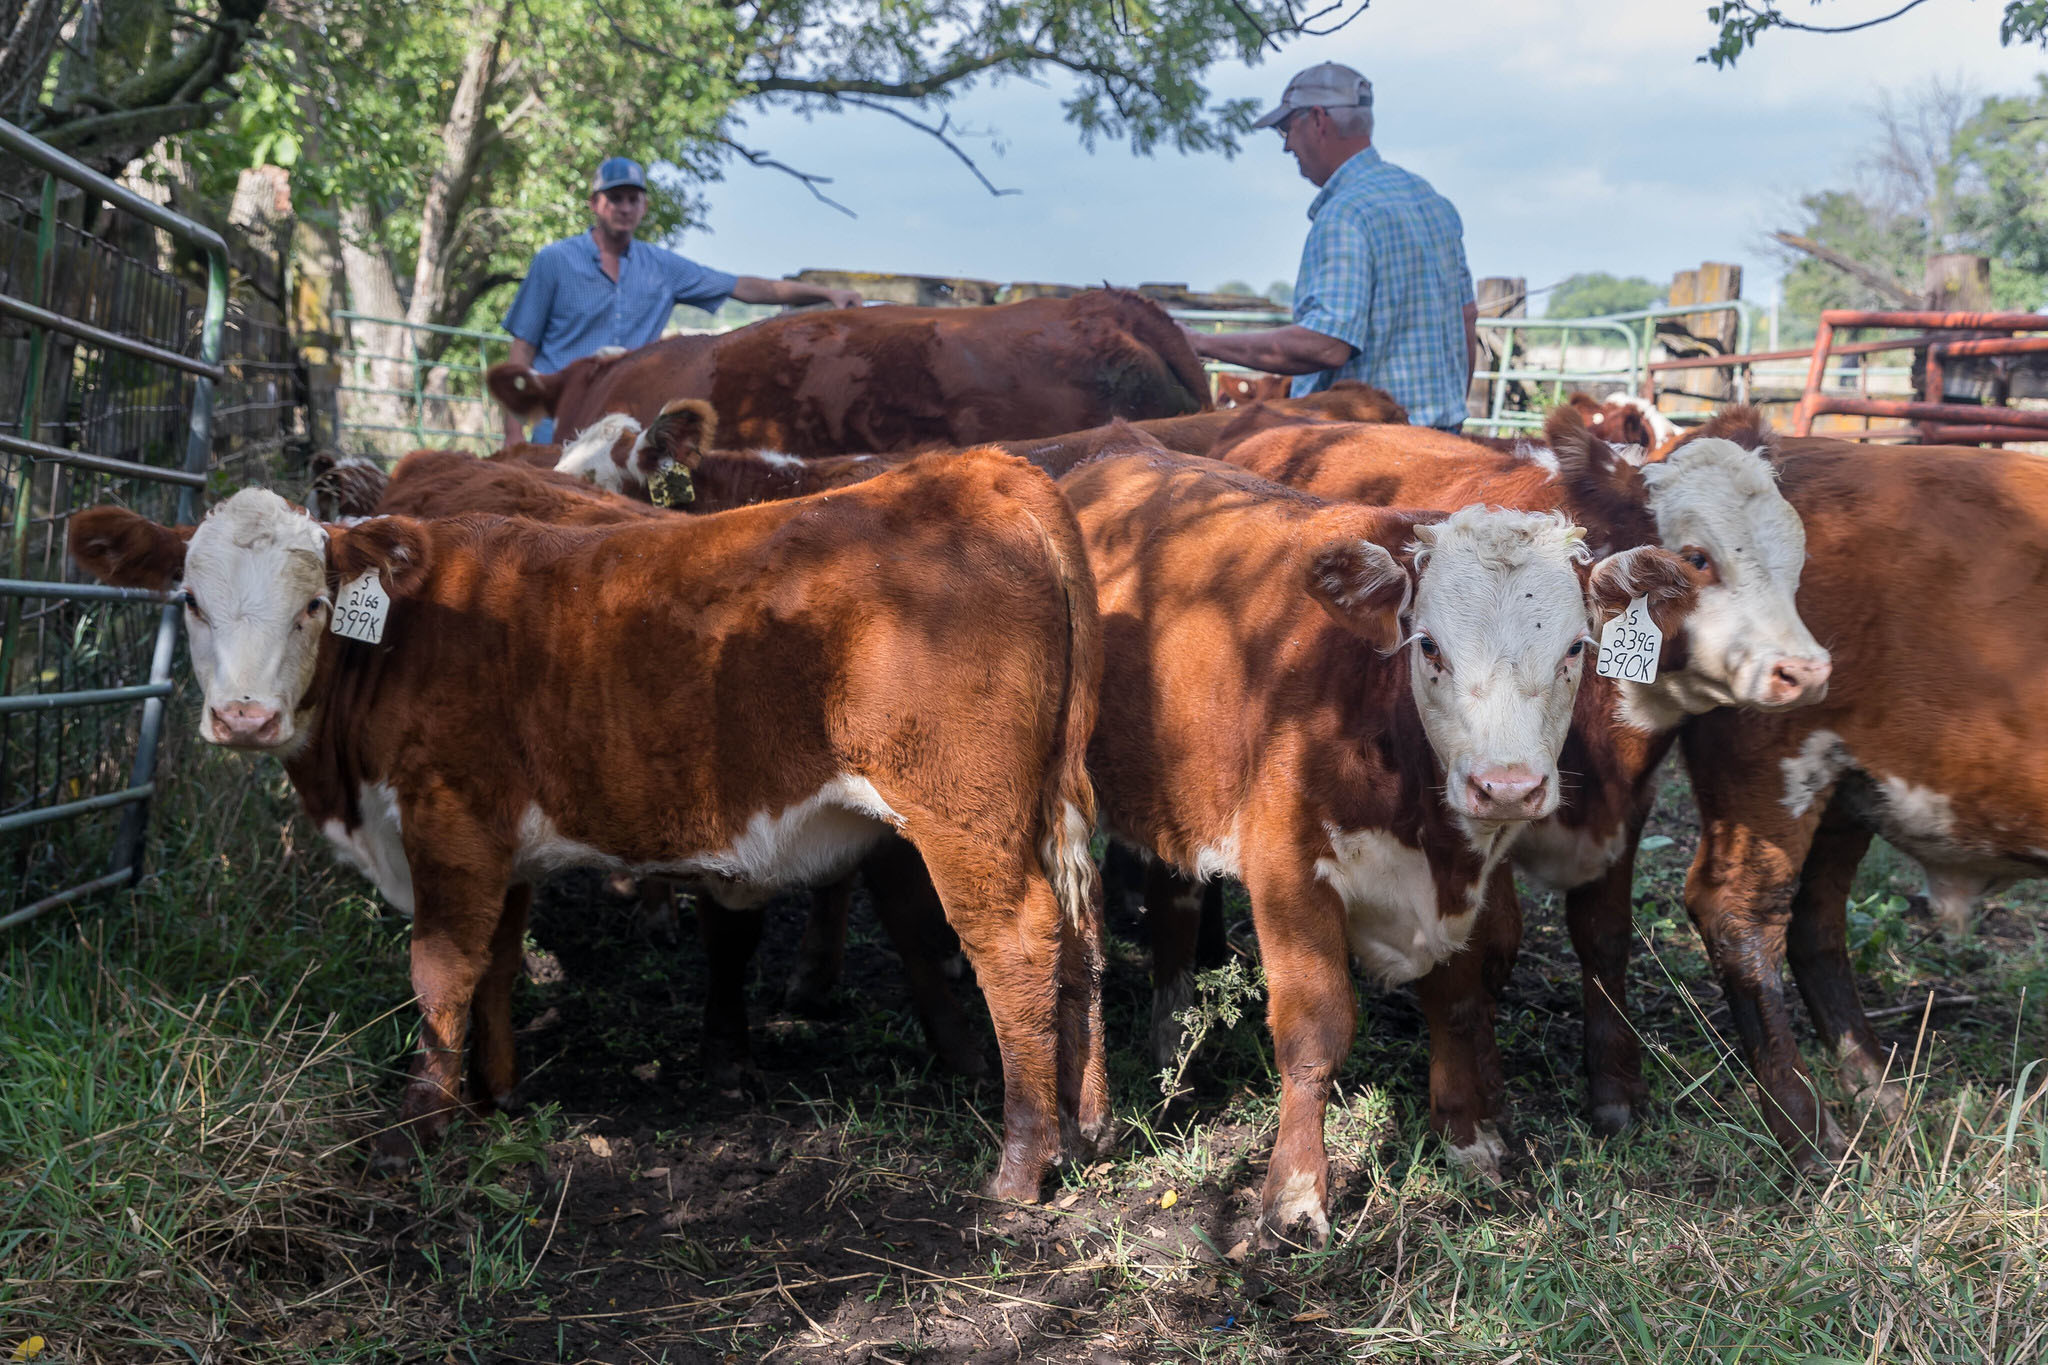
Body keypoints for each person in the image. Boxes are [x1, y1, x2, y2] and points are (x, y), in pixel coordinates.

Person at [1184, 64, 1479, 434]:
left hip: (1369, 446)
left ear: (1318, 120)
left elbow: (1326, 346)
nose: (1287, 145)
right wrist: (1445, 424)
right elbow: (1467, 318)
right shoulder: (1430, 199)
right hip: (1441, 439)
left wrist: (1200, 342)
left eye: (1286, 127)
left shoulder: (1346, 213)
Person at [499, 156, 865, 443]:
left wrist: (825, 293)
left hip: (625, 422)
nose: (624, 207)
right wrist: (513, 433)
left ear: (643, 206)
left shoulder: (662, 268)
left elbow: (744, 287)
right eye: (614, 198)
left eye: (632, 198)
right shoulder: (555, 262)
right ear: (595, 203)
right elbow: (522, 349)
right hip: (557, 420)